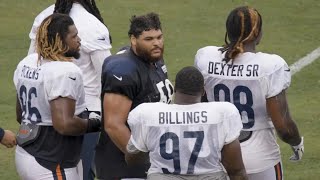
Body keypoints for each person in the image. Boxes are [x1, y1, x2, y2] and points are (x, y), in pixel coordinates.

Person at [194, 6, 304, 180]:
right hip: (259, 159)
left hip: (217, 156)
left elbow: (200, 103)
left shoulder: (205, 57)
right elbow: (283, 127)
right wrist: (297, 143)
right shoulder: (271, 66)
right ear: (257, 33)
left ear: (228, 31)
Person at [28, 1, 112, 179]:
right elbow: (108, 77)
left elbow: (32, 65)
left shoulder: (43, 18)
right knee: (79, 172)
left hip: (41, 116)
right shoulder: (93, 25)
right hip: (84, 116)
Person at [125, 66, 248, 180]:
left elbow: (132, 158)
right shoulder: (223, 113)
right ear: (203, 91)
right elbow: (236, 170)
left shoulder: (147, 114)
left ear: (174, 89)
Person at [95, 12, 174, 179]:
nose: (156, 43)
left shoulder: (155, 59)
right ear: (133, 40)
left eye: (159, 37)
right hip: (124, 166)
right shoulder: (123, 69)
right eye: (149, 39)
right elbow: (113, 125)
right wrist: (145, 161)